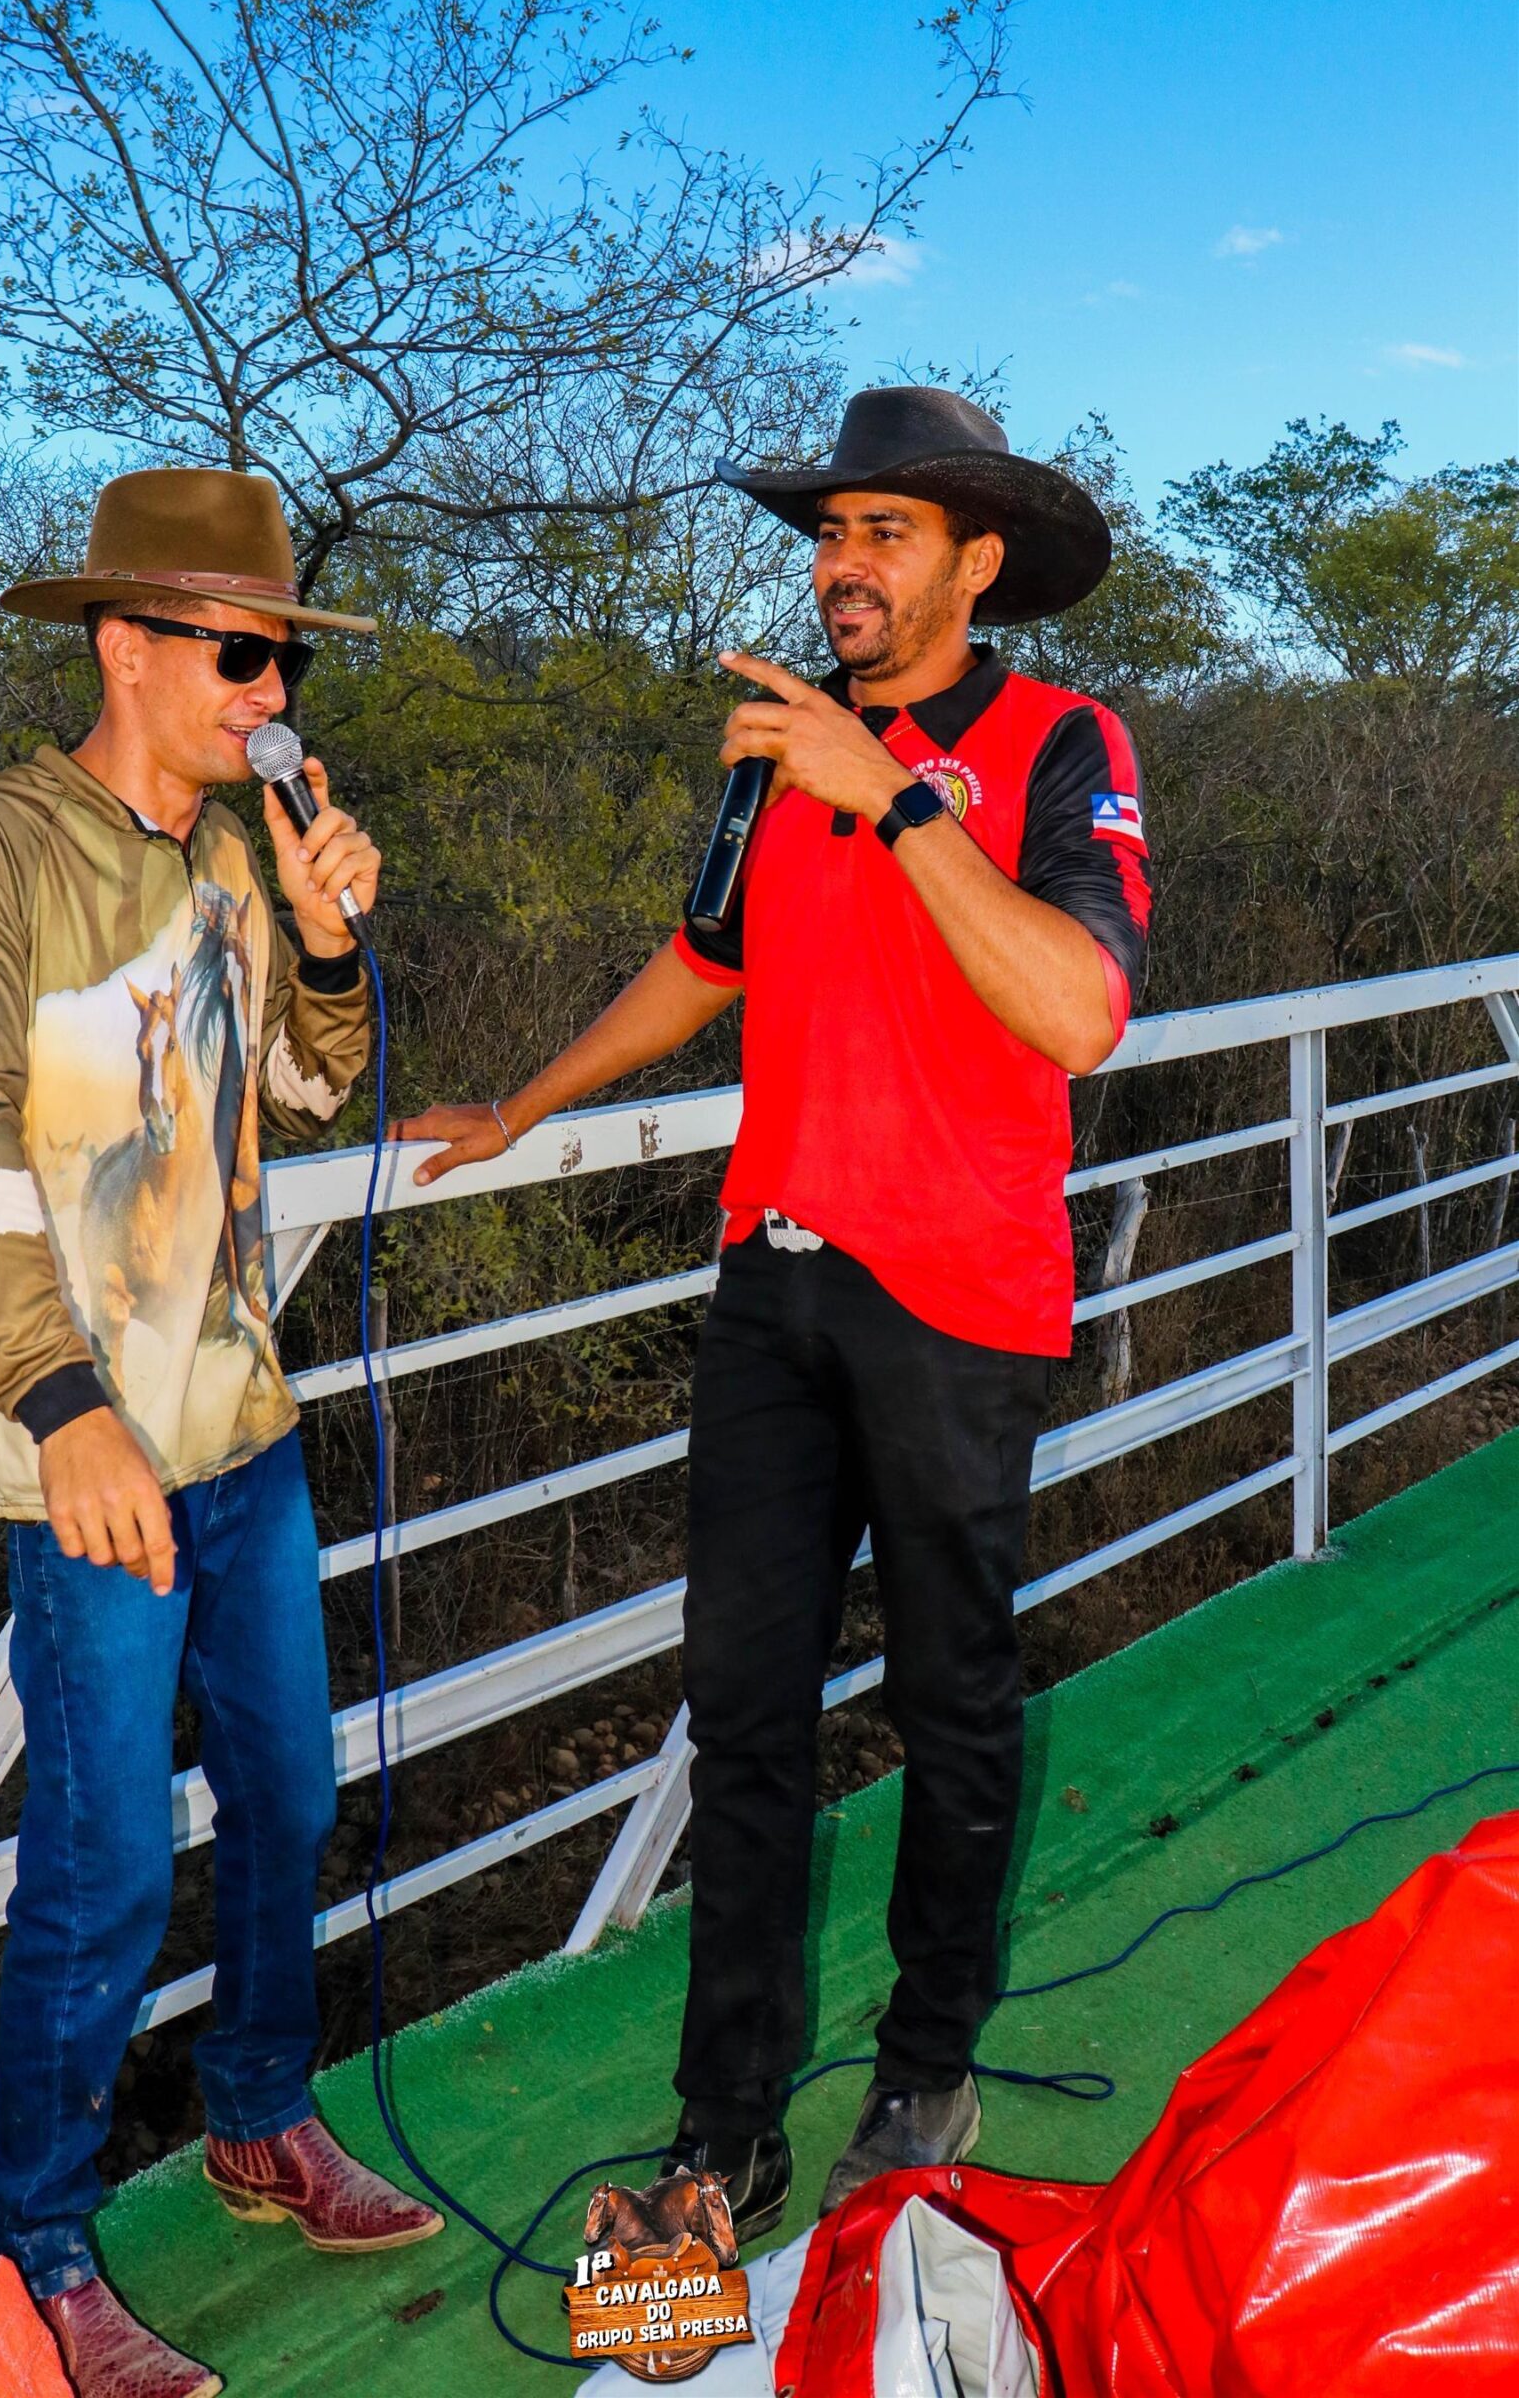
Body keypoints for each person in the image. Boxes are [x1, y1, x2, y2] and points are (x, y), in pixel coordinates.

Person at [395, 387, 1152, 2238]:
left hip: (957, 1297)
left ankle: (926, 2060)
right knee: (741, 1717)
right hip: (775, 1279)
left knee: (951, 1702)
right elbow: (703, 960)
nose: (841, 566)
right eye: (829, 534)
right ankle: (720, 2127)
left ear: (977, 561)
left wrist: (890, 796)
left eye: (884, 532)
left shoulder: (1061, 741)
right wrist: (524, 1106)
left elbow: (1075, 1010)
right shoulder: (774, 749)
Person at [0, 470, 441, 2398]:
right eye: (238, 654)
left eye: (281, 661)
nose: (270, 692)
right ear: (126, 645)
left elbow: (304, 1088)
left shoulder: (230, 864)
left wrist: (327, 940)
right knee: (108, 1859)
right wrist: (59, 1403)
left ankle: (260, 2114)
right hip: (86, 1452)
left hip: (238, 1428)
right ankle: (26, 2240)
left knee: (289, 1798)